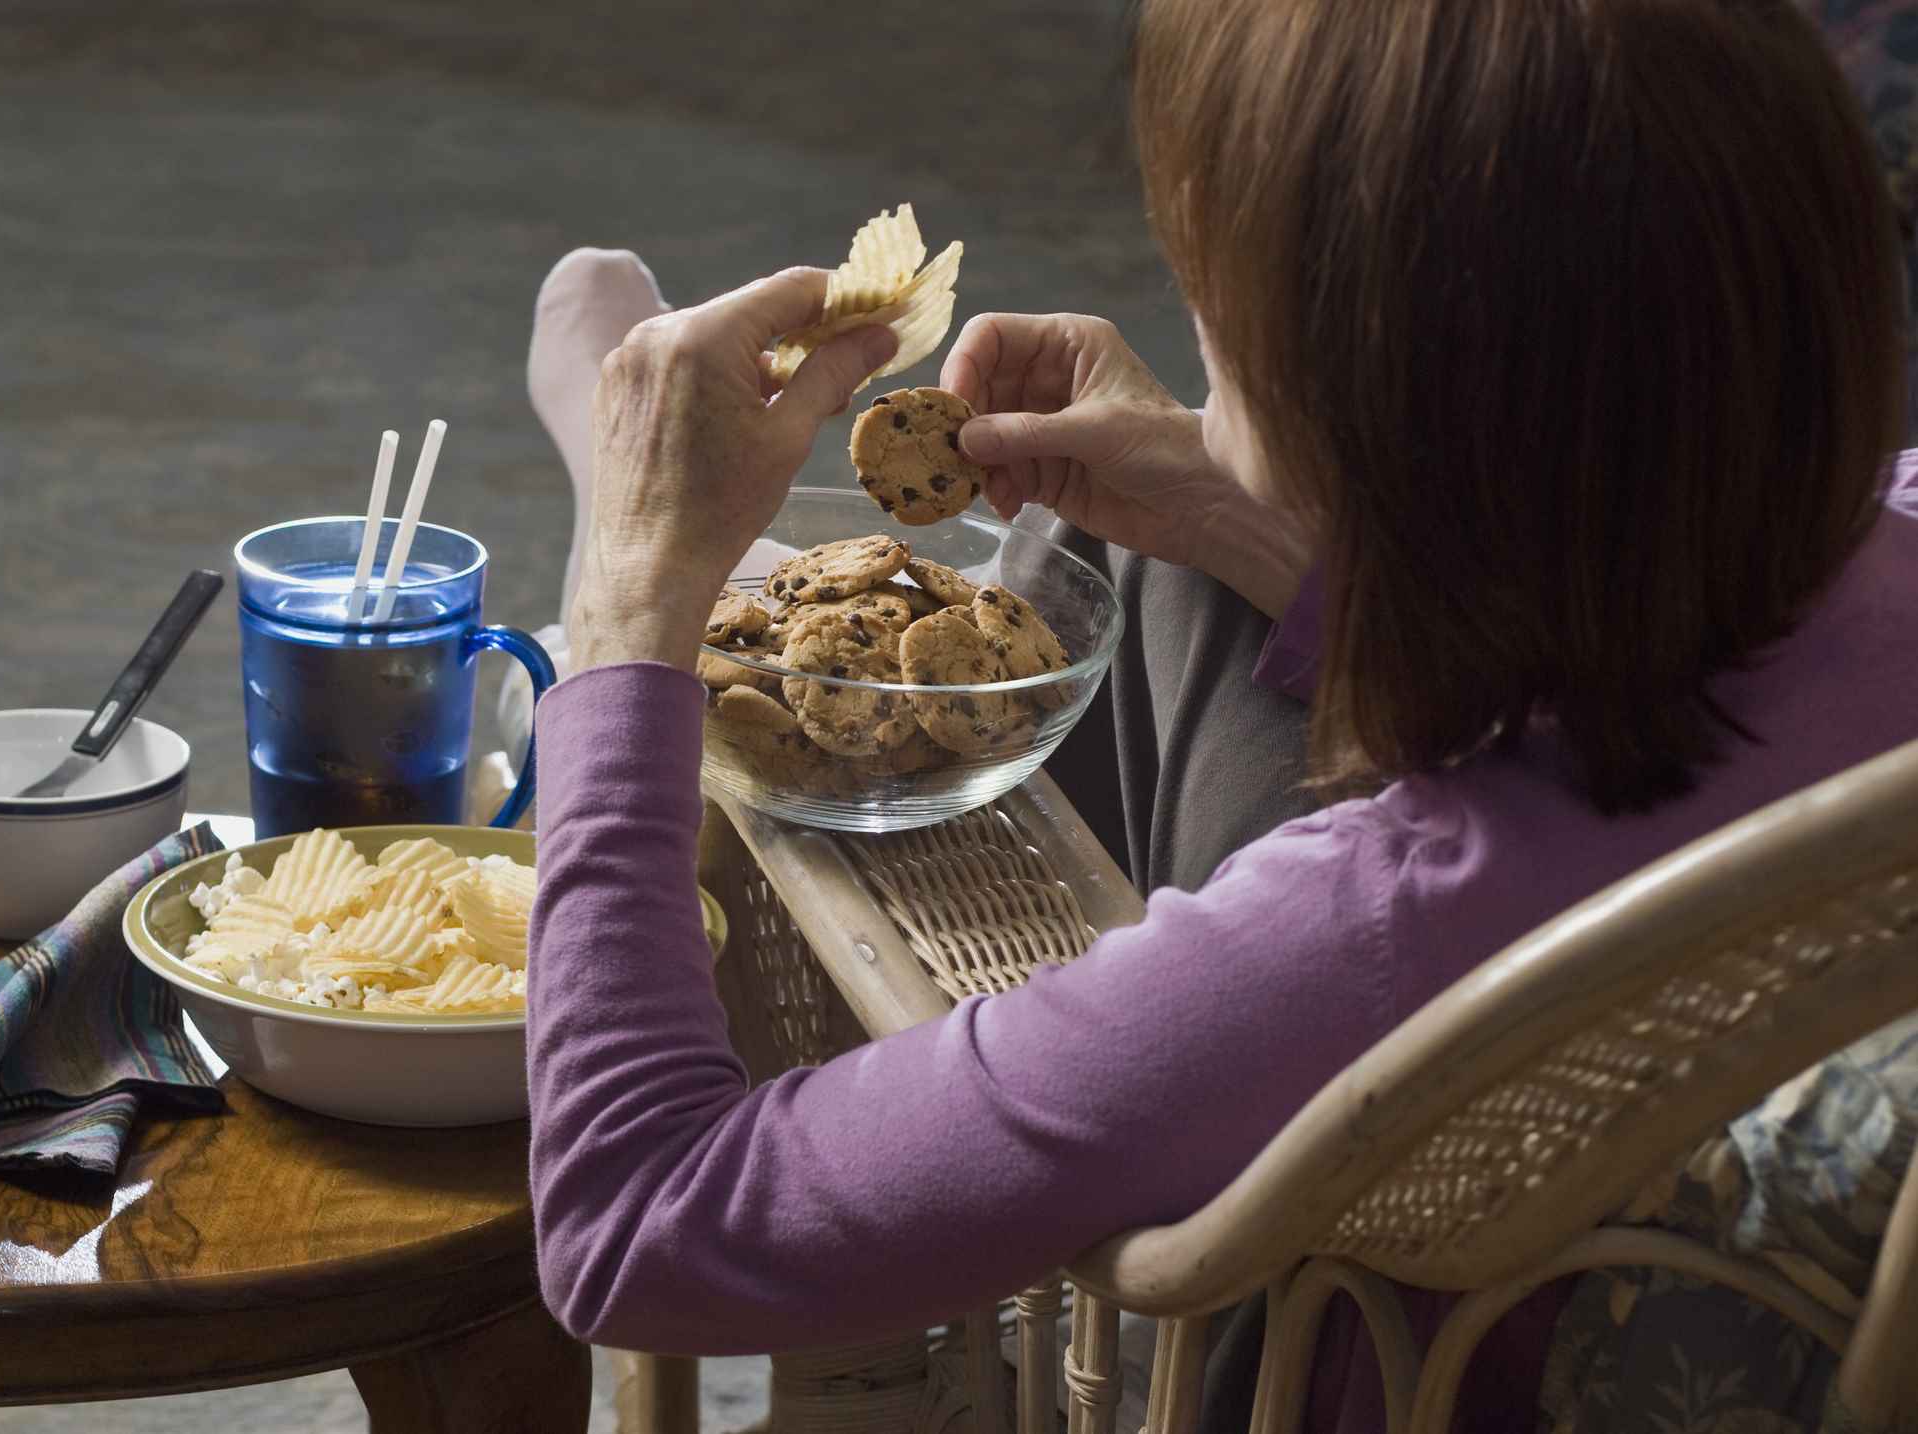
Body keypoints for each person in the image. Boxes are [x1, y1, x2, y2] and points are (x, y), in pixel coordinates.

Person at [519, 1, 1916, 1429]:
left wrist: (630, 601)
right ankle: (755, 575)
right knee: (1145, 559)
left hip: (1292, 1344)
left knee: (1039, 589)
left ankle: (673, 539)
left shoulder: (1367, 930)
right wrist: (1234, 500)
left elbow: (637, 1226)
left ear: (1360, 414)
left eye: (1214, 304)